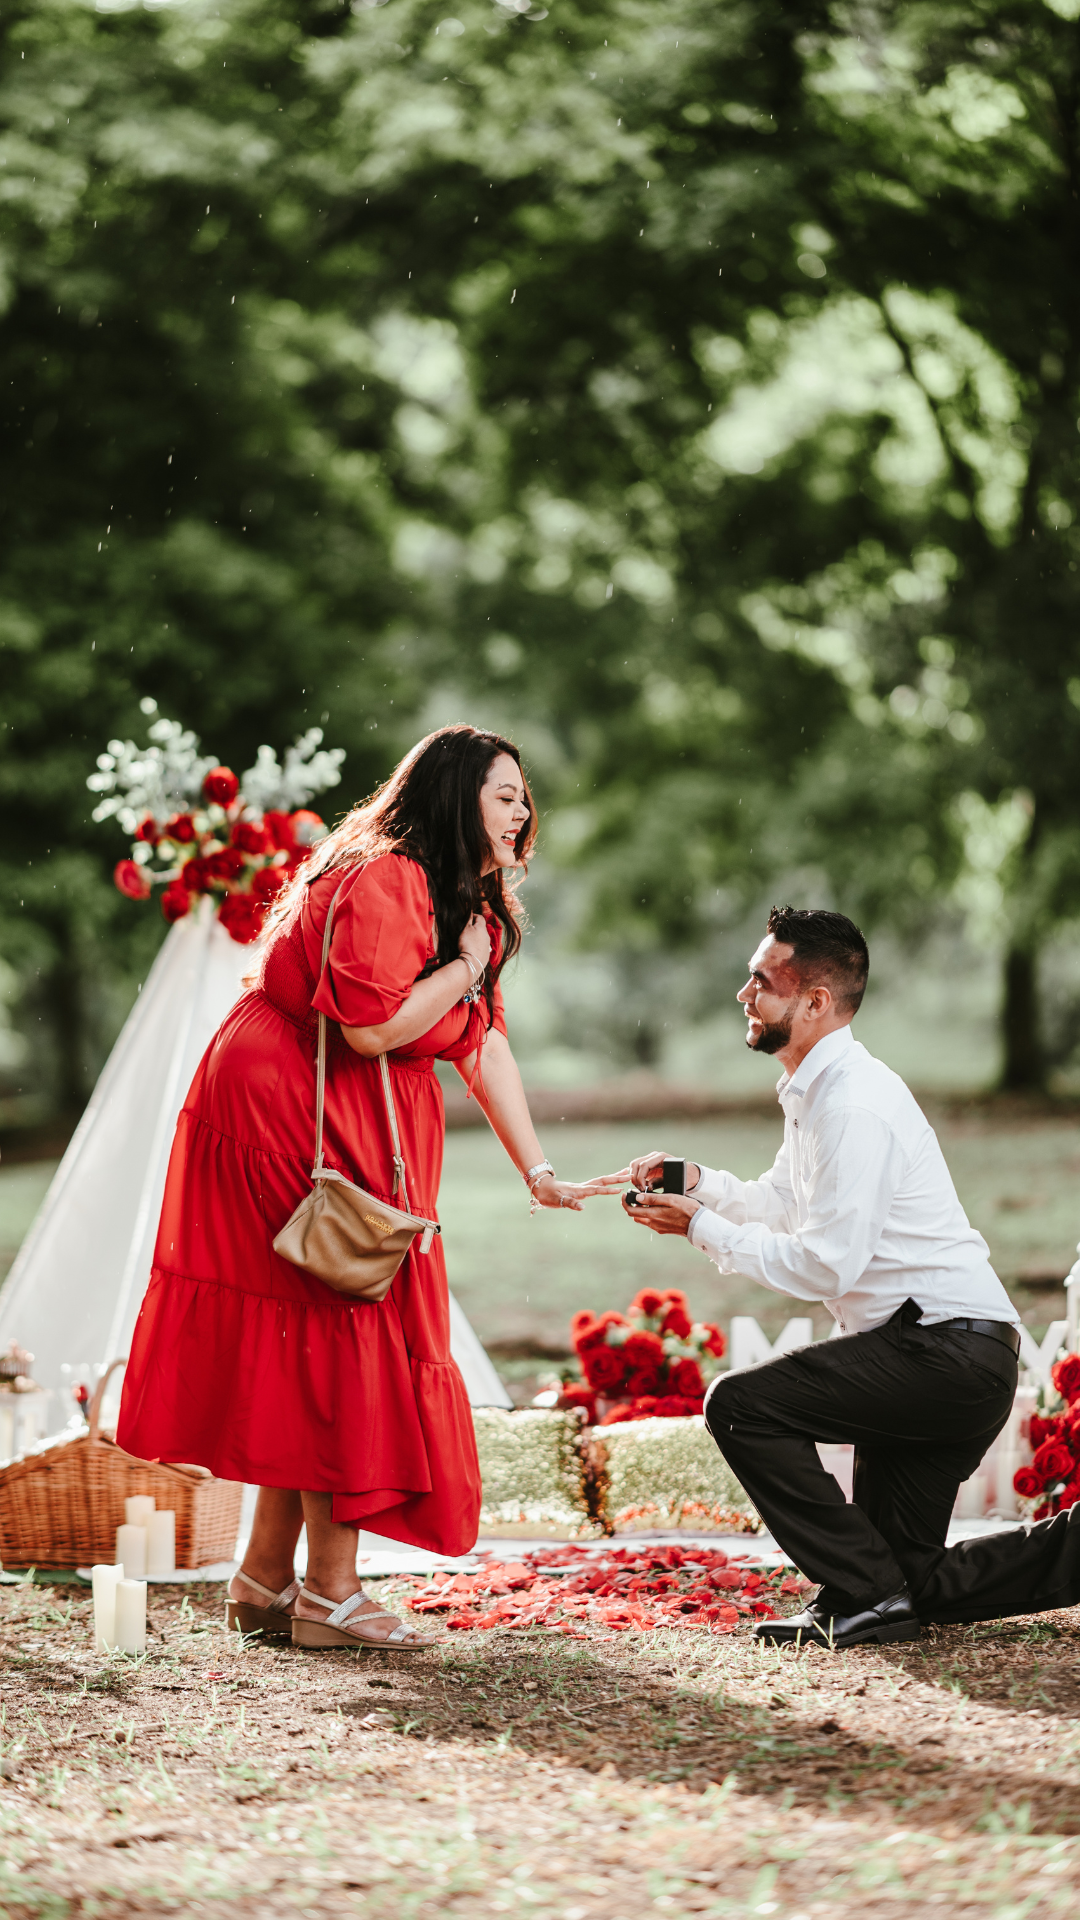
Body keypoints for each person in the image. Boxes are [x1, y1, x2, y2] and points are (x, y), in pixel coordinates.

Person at [117, 725, 595, 1652]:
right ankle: (330, 1595)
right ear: (456, 798)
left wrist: (535, 1169)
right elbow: (372, 1030)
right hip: (291, 1110)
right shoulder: (391, 876)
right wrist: (462, 965)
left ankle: (263, 1584)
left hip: (341, 1112)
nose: (522, 809)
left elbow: (481, 1041)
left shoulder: (466, 901)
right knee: (342, 1333)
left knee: (317, 1334)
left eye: (523, 794)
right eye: (503, 793)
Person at [601, 904, 1080, 1650]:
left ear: (816, 1002)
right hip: (929, 1351)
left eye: (761, 980)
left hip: (946, 1352)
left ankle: (866, 1593)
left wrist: (698, 1227)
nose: (743, 993)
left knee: (741, 1406)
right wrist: (698, 1182)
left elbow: (826, 1261)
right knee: (908, 1581)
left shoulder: (854, 1102)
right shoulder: (820, 1088)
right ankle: (890, 1593)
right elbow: (786, 1204)